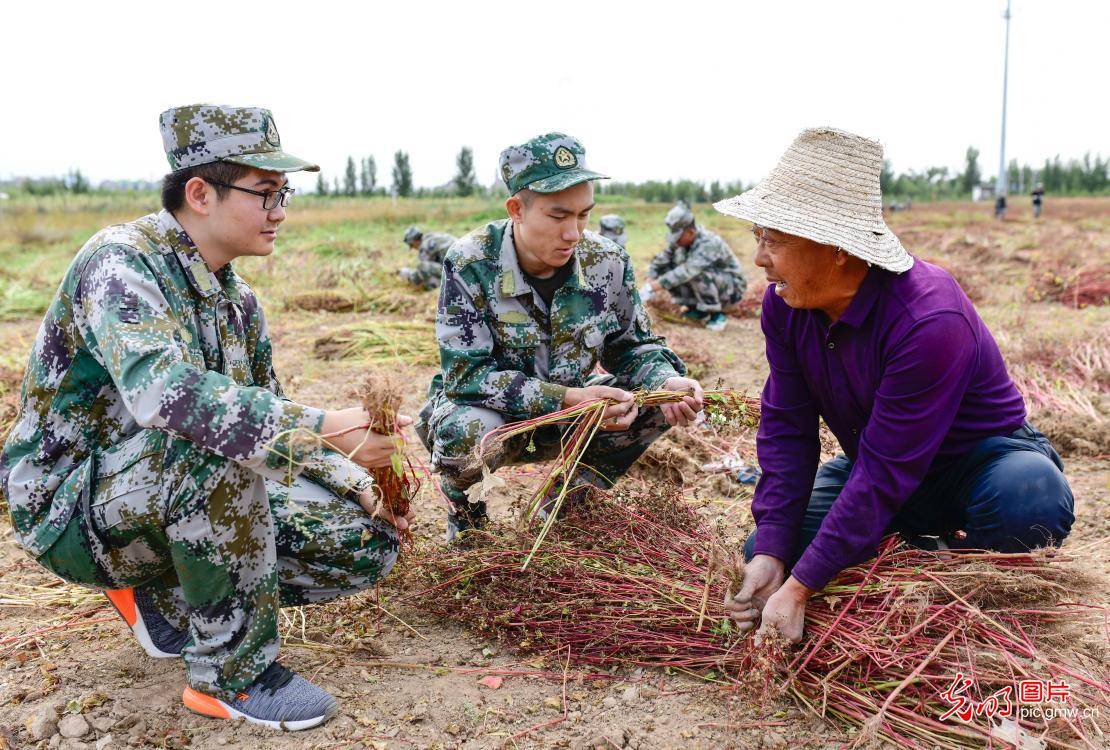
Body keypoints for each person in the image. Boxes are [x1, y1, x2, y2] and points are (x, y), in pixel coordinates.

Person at [0, 104, 415, 730]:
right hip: (71, 505)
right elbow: (166, 397)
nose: (281, 213)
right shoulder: (121, 263)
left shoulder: (238, 303)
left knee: (361, 543)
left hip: (161, 488)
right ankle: (231, 675)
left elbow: (269, 416)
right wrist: (328, 422)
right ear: (200, 193)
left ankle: (162, 589)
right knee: (211, 439)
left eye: (285, 194)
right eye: (266, 194)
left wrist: (358, 480)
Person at [713, 127, 1074, 643]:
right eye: (758, 238)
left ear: (837, 248)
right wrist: (774, 551)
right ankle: (919, 547)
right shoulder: (786, 304)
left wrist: (802, 588)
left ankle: (945, 562)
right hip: (878, 467)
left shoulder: (928, 318)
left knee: (1029, 499)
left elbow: (888, 468)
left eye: (774, 241)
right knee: (765, 552)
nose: (760, 259)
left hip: (973, 468)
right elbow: (788, 427)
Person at [415, 132, 703, 540]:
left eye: (584, 215)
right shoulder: (471, 262)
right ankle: (468, 522)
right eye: (558, 216)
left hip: (574, 416)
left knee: (654, 402)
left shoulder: (607, 261)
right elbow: (466, 378)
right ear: (516, 208)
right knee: (467, 429)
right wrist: (567, 398)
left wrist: (663, 380)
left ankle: (563, 512)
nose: (574, 233)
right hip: (497, 417)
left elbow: (632, 347)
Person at [646, 203, 746, 331]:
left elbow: (688, 271)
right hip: (714, 283)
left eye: (678, 237)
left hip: (732, 288)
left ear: (690, 232)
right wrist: (650, 277)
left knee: (693, 273)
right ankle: (696, 310)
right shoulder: (680, 242)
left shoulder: (708, 242)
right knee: (668, 268)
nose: (675, 241)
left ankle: (716, 314)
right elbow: (662, 259)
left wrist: (654, 286)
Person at [399, 225, 456, 289]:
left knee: (422, 266)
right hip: (462, 261)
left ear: (414, 241)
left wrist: (409, 276)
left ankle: (438, 286)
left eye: (411, 245)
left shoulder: (424, 247)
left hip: (455, 269)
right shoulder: (430, 236)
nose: (412, 248)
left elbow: (424, 269)